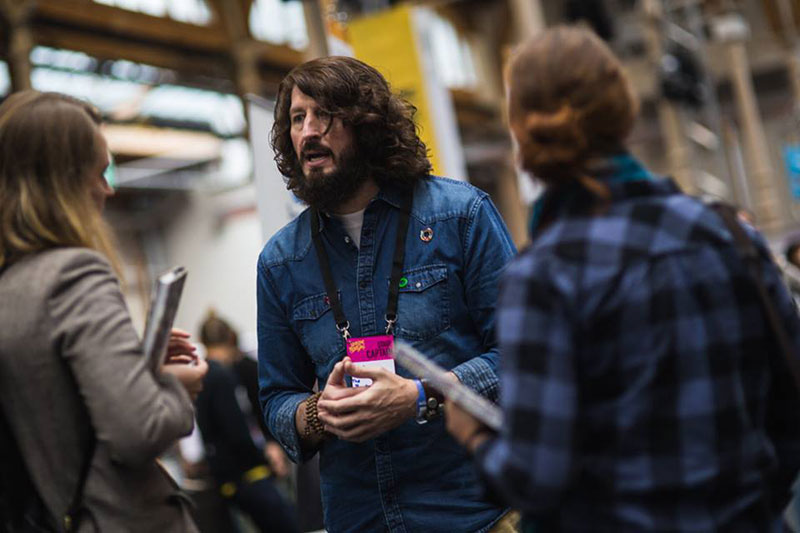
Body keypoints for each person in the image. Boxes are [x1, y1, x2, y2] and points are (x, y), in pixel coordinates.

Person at [445, 26, 800, 531]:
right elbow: (789, 406)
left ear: (521, 130)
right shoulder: (728, 234)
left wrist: (474, 436)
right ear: (624, 110)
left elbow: (534, 478)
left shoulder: (542, 276)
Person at [257, 56, 516, 532]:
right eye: (297, 119)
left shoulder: (461, 216)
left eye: (324, 114)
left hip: (474, 515)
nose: (308, 132)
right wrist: (317, 413)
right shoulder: (280, 262)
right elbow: (276, 400)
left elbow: (525, 356)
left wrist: (422, 396)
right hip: (361, 519)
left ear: (366, 122)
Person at [0, 91, 208, 532]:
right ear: (64, 183)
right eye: (99, 172)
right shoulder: (74, 273)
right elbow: (140, 429)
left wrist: (135, 367)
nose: (107, 189)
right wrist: (176, 388)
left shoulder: (11, 287)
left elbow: (57, 406)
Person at [194, 311, 298, 532]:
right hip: (246, 474)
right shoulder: (222, 376)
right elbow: (236, 429)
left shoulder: (201, 375)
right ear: (231, 339)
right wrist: (264, 458)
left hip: (224, 474)